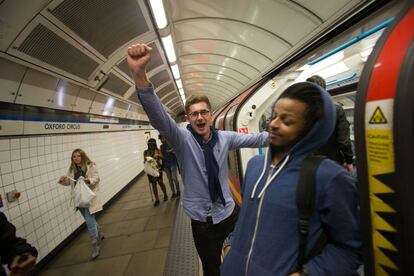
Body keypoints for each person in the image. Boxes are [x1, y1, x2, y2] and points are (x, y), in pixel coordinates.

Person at [127, 43, 268, 276]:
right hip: (203, 223)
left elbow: (256, 139)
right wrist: (139, 74)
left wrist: (284, 133)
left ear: (211, 115)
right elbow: (158, 117)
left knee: (241, 261)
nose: (200, 117)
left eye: (204, 112)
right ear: (188, 118)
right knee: (213, 269)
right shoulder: (181, 140)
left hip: (229, 213)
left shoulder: (225, 138)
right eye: (194, 113)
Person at [220, 82, 361, 275]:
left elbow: (351, 249)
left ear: (309, 130)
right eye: (274, 116)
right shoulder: (255, 166)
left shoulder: (329, 178)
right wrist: (230, 245)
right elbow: (247, 217)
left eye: (286, 121)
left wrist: (308, 273)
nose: (274, 124)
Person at [58, 149, 104, 260]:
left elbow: (97, 178)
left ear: (83, 156)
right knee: (90, 220)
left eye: (78, 156)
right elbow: (70, 182)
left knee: (89, 221)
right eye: (74, 157)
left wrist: (88, 180)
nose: (76, 158)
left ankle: (94, 245)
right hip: (79, 199)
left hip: (89, 198)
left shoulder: (90, 165)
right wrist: (63, 180)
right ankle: (100, 232)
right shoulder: (72, 169)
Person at [306, 75, 354, 173]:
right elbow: (343, 141)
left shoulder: (302, 112)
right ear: (324, 89)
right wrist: (349, 161)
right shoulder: (337, 110)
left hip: (309, 163)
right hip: (332, 162)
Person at [144, 138, 168, 207]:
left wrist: (158, 155)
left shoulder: (158, 150)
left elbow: (163, 158)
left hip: (158, 170)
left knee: (160, 183)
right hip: (151, 171)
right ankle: (157, 199)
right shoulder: (145, 152)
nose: (151, 146)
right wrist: (148, 159)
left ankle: (165, 195)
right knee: (154, 185)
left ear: (155, 144)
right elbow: (144, 161)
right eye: (150, 144)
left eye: (152, 144)